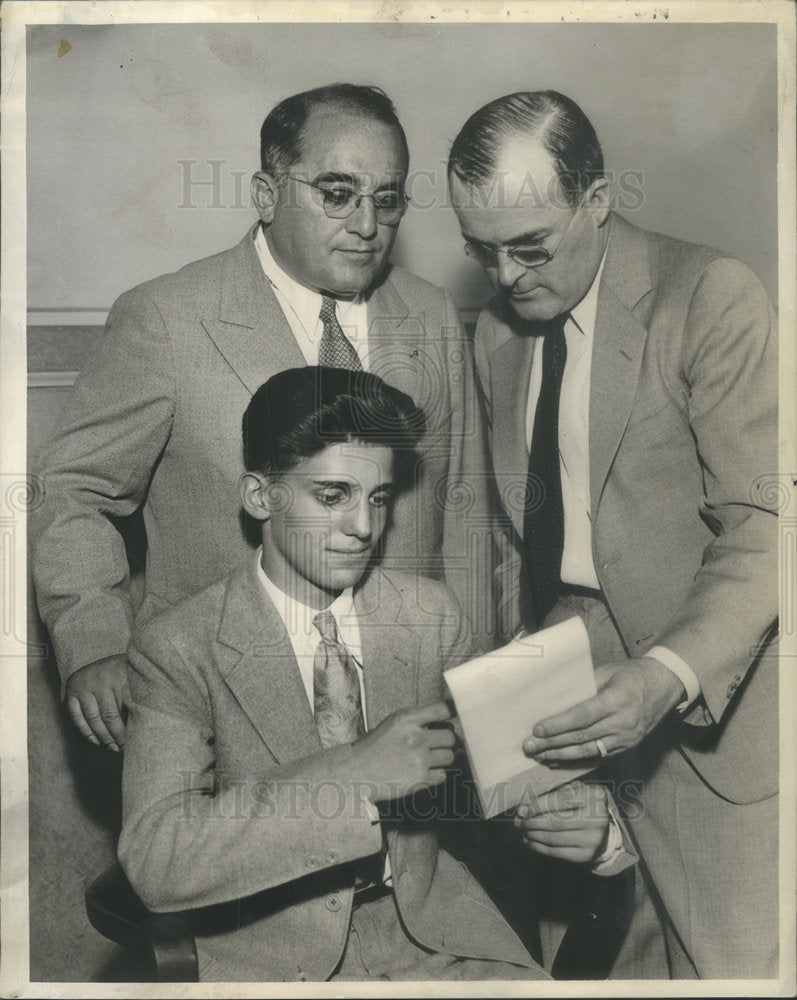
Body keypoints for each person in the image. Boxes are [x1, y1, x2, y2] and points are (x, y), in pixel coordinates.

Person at [118, 365, 621, 982]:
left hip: (440, 944)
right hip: (275, 963)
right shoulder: (177, 647)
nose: (363, 527)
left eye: (377, 498)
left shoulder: (430, 617)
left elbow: (522, 776)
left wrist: (592, 831)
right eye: (332, 496)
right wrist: (351, 773)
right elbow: (156, 859)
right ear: (259, 496)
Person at [30, 83, 491, 754]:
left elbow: (465, 510)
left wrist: (476, 686)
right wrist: (94, 642)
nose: (367, 225)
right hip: (225, 711)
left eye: (385, 199)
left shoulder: (431, 314)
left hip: (404, 711)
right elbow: (70, 490)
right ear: (267, 194)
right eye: (337, 194)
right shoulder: (167, 318)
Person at [447, 90, 779, 979]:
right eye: (482, 251)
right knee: (589, 971)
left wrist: (664, 676)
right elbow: (528, 546)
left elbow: (768, 528)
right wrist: (509, 715)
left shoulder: (708, 297)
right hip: (573, 710)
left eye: (530, 247)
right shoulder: (496, 336)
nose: (507, 276)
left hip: (719, 719)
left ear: (596, 202)